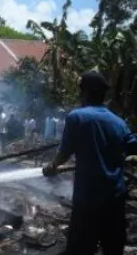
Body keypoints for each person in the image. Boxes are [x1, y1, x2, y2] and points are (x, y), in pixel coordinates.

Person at [43, 71, 137, 255]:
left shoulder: (77, 117)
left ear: (84, 92)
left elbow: (65, 152)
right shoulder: (118, 122)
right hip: (115, 197)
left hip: (88, 198)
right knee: (113, 248)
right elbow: (133, 147)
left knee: (81, 248)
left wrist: (52, 166)